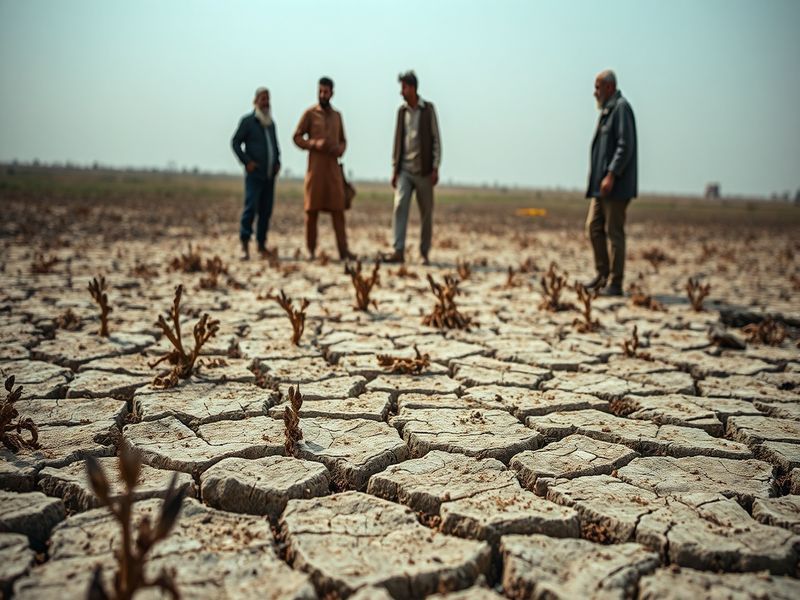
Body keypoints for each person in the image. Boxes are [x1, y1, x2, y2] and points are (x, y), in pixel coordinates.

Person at [584, 69, 637, 296]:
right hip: (601, 187)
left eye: (597, 87)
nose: (594, 93)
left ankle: (615, 283)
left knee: (614, 232)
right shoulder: (608, 111)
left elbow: (625, 145)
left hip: (615, 186)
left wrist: (612, 174)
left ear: (609, 87)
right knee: (594, 227)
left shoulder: (621, 108)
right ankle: (602, 275)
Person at [293, 77, 355, 261]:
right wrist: (314, 144)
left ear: (332, 93)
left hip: (333, 172)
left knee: (338, 211)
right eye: (320, 91)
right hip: (315, 171)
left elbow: (343, 140)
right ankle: (311, 250)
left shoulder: (337, 116)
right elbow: (297, 137)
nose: (322, 95)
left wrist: (340, 149)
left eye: (326, 92)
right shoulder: (310, 114)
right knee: (311, 212)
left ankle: (343, 251)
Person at [384, 70, 442, 265]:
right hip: (405, 170)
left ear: (413, 88)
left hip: (424, 171)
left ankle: (424, 252)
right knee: (399, 205)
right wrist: (394, 169)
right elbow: (397, 141)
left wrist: (435, 167)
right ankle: (398, 250)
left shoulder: (428, 110)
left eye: (404, 88)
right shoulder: (401, 112)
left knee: (426, 212)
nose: (401, 92)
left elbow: (436, 139)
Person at [231, 86, 280, 260]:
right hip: (255, 175)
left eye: (268, 99)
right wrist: (247, 162)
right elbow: (235, 143)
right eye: (263, 99)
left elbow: (275, 146)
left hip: (269, 176)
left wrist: (277, 162)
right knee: (250, 208)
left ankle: (261, 245)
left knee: (266, 211)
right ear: (255, 101)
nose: (266, 102)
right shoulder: (248, 122)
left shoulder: (271, 124)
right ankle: (244, 245)